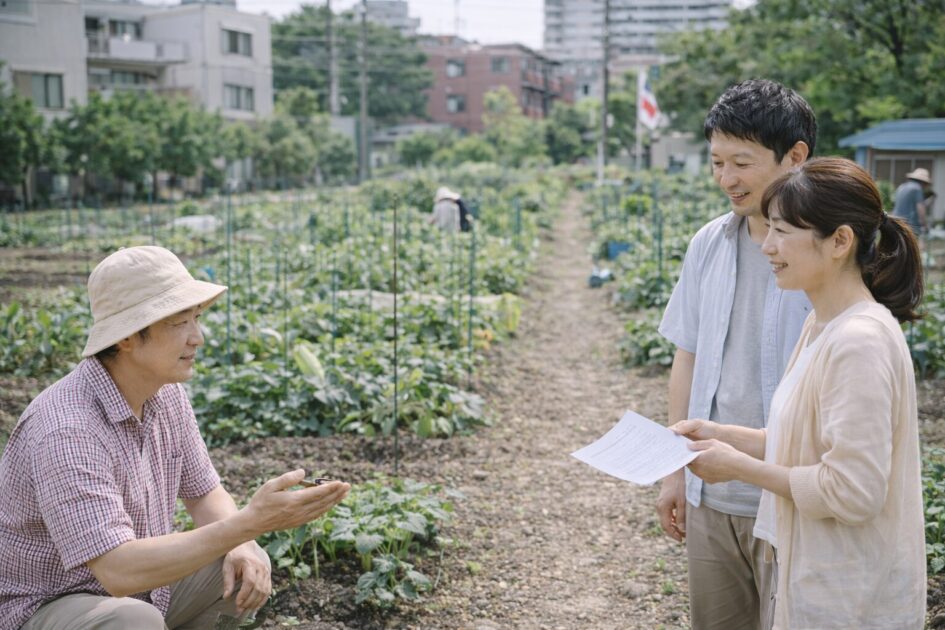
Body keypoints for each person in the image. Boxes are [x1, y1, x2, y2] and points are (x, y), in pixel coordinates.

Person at [0, 246, 351, 630]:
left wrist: (243, 540)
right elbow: (118, 571)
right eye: (178, 323)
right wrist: (249, 523)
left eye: (196, 319)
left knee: (242, 565)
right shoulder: (67, 428)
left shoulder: (165, 394)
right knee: (132, 620)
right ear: (128, 338)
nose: (197, 337)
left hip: (134, 593)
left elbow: (204, 493)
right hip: (47, 607)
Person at [673, 157, 926, 628]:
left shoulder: (859, 342)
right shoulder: (821, 324)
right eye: (768, 229)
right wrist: (722, 433)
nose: (768, 247)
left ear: (840, 241)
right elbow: (804, 441)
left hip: (849, 595)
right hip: (818, 578)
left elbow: (852, 492)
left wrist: (738, 467)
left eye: (783, 231)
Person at [656, 79, 816, 630]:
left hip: (795, 496)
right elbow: (689, 357)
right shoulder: (709, 244)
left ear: (795, 156)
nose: (726, 179)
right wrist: (674, 471)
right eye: (717, 161)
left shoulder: (830, 251)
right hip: (711, 497)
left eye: (741, 162)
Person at [891, 167, 932, 236]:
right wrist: (925, 226)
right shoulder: (917, 188)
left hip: (896, 222)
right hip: (909, 225)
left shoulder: (902, 186)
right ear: (923, 182)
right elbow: (921, 209)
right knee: (916, 245)